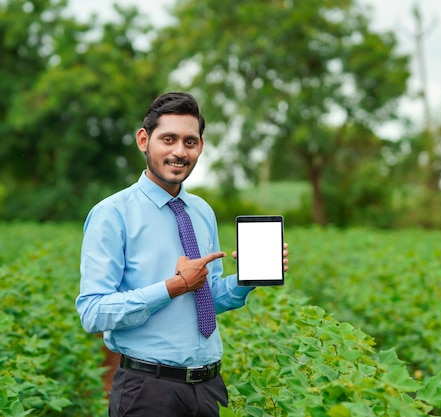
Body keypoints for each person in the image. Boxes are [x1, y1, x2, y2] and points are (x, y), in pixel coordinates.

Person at [76, 91, 288, 417]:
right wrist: (173, 287)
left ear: (200, 147)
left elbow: (207, 298)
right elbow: (93, 313)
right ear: (144, 140)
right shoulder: (112, 214)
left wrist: (248, 277)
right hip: (148, 390)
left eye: (190, 142)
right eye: (168, 139)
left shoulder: (202, 211)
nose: (179, 151)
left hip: (209, 387)